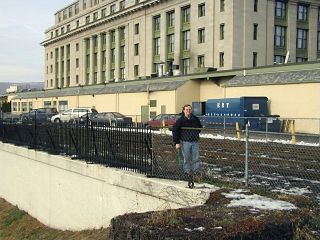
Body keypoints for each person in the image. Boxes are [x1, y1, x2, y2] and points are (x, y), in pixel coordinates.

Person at [172, 104, 202, 181]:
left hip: (195, 141)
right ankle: (187, 173)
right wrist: (177, 142)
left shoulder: (195, 119)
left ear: (191, 110)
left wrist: (194, 133)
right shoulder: (180, 120)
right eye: (186, 109)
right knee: (187, 158)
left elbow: (200, 127)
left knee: (196, 158)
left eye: (189, 109)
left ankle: (197, 173)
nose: (188, 111)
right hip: (185, 142)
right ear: (184, 110)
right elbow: (175, 130)